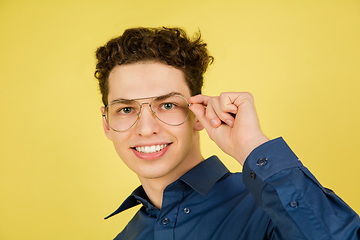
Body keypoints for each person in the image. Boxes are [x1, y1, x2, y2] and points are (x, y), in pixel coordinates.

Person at [94, 27, 360, 240]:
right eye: (126, 109)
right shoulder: (127, 236)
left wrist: (251, 146)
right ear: (107, 124)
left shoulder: (272, 208)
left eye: (167, 105)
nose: (146, 128)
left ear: (197, 114)